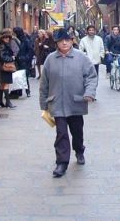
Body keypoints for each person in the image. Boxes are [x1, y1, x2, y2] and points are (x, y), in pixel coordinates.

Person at [40, 28, 98, 178]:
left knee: (77, 131)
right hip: (57, 103)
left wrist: (89, 93)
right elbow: (44, 84)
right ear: (57, 43)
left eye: (67, 40)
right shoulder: (50, 60)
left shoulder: (81, 58)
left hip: (76, 102)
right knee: (61, 133)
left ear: (72, 41)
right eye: (61, 41)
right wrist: (43, 106)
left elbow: (91, 76)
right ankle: (62, 162)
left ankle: (79, 150)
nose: (64, 43)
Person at [0, 28, 17, 108]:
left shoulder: (2, 45)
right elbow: (3, 57)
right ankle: (8, 102)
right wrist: (12, 58)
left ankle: (0, 101)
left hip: (3, 66)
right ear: (3, 38)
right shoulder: (3, 46)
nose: (8, 39)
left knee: (2, 84)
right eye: (6, 37)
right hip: (6, 66)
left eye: (8, 37)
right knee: (6, 84)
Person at [13, 26, 35, 97]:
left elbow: (30, 51)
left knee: (24, 76)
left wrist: (24, 58)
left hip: (24, 61)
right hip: (18, 61)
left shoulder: (25, 40)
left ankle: (27, 91)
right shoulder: (16, 40)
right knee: (18, 76)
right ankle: (19, 91)